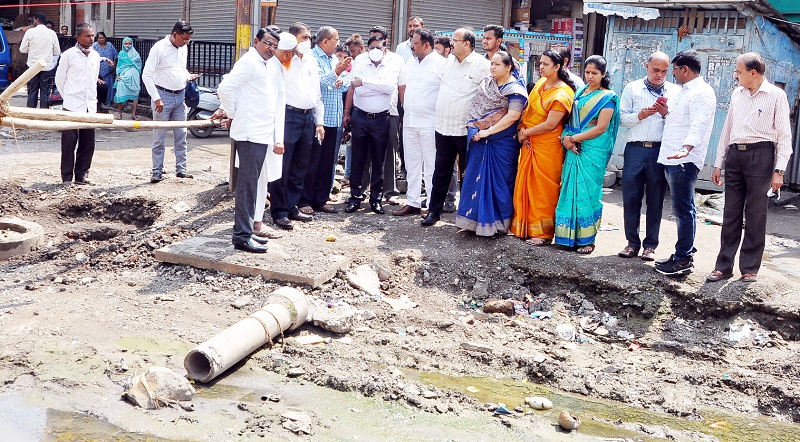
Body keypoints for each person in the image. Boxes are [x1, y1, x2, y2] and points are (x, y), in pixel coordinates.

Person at [706, 52, 791, 283]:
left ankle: (749, 268)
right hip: (735, 155)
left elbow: (784, 136)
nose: (735, 75)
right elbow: (728, 129)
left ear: (753, 73)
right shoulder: (737, 94)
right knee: (730, 212)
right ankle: (723, 266)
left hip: (760, 155)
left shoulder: (776, 95)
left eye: (739, 71)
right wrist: (718, 162)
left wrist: (779, 171)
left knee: (755, 212)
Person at [215, 28, 287, 253]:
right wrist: (233, 113)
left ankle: (245, 232)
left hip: (261, 133)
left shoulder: (266, 64)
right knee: (247, 186)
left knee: (253, 185)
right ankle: (242, 236)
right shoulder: (249, 61)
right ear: (256, 41)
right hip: (249, 133)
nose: (271, 49)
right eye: (267, 43)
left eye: (275, 45)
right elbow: (225, 88)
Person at [654, 50, 716, 276]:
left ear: (685, 70)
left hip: (684, 159)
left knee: (683, 210)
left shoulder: (701, 92)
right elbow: (680, 121)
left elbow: (699, 124)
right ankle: (683, 252)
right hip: (674, 156)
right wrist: (665, 114)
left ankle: (683, 260)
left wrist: (686, 149)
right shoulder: (685, 91)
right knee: (682, 208)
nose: (673, 75)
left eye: (675, 70)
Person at [421, 28, 490, 226]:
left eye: (455, 40)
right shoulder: (448, 62)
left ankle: (467, 215)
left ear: (467, 43)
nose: (452, 43)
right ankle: (434, 212)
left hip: (465, 130)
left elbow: (487, 97)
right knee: (441, 171)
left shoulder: (482, 66)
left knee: (468, 173)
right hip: (443, 126)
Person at [455, 51, 527, 235]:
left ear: (508, 66)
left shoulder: (515, 89)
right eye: (491, 64)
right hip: (480, 139)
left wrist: (488, 131)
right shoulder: (487, 84)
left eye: (497, 64)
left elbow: (513, 116)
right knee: (474, 178)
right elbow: (476, 108)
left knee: (499, 183)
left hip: (501, 143)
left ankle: (498, 225)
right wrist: (478, 130)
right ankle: (473, 221)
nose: (492, 67)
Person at [617, 52, 680, 261]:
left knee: (656, 198)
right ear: (646, 67)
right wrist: (640, 115)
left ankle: (650, 246)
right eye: (656, 70)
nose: (660, 75)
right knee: (631, 197)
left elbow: (678, 124)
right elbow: (622, 119)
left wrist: (665, 114)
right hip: (635, 149)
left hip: (659, 151)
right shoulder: (632, 88)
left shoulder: (675, 91)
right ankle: (631, 244)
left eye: (664, 71)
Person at [554, 55, 620, 254]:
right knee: (569, 189)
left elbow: (601, 128)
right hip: (573, 147)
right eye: (587, 72)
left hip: (592, 150)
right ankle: (567, 237)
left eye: (595, 73)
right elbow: (571, 120)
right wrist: (567, 137)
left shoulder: (608, 97)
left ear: (604, 74)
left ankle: (587, 240)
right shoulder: (581, 91)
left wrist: (574, 139)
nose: (590, 76)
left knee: (588, 194)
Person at [511, 49, 575, 244]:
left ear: (557, 67)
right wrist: (523, 131)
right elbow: (528, 111)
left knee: (544, 189)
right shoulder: (540, 84)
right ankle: (524, 227)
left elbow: (550, 124)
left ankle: (544, 234)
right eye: (540, 63)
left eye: (546, 64)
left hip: (547, 146)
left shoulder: (563, 92)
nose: (541, 67)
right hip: (529, 143)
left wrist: (525, 133)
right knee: (525, 185)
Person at [268, 22, 324, 230]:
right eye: (304, 38)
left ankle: (292, 205)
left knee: (300, 165)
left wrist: (319, 121)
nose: (308, 42)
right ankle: (279, 211)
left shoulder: (311, 61)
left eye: (310, 37)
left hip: (308, 116)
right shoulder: (284, 61)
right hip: (288, 115)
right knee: (283, 164)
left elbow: (316, 93)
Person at [343, 36, 402, 214]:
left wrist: (366, 83)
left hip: (381, 118)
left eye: (379, 47)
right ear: (367, 49)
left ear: (385, 49)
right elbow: (356, 88)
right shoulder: (360, 62)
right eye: (372, 47)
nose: (375, 49)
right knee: (358, 159)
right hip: (360, 116)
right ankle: (355, 197)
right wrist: (372, 87)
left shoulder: (391, 65)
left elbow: (389, 88)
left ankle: (375, 199)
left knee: (379, 160)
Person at [299, 26, 351, 215]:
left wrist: (340, 78)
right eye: (336, 39)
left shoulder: (333, 59)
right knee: (312, 162)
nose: (339, 43)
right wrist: (334, 74)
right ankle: (305, 200)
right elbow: (315, 84)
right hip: (318, 120)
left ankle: (321, 199)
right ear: (325, 41)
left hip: (334, 119)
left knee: (328, 163)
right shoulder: (311, 58)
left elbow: (346, 78)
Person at [394, 27, 445, 216]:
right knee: (412, 163)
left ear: (427, 45)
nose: (412, 47)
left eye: (415, 43)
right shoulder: (411, 62)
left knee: (431, 165)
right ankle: (413, 202)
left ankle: (432, 205)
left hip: (431, 122)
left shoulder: (441, 64)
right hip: (410, 121)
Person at [142, 20, 200, 183]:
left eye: (189, 40)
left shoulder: (183, 48)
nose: (186, 42)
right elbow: (146, 75)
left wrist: (187, 76)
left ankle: (181, 169)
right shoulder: (159, 48)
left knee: (181, 134)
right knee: (159, 136)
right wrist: (157, 98)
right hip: (163, 96)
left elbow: (180, 68)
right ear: (175, 34)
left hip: (180, 95)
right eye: (185, 39)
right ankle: (157, 171)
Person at [55, 23, 100, 186]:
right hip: (72, 105)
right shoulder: (69, 55)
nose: (91, 38)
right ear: (78, 38)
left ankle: (81, 175)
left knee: (88, 143)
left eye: (92, 35)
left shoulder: (95, 56)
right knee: (69, 143)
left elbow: (94, 79)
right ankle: (67, 177)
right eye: (87, 36)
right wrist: (68, 97)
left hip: (90, 106)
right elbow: (59, 79)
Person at [19, 12, 61, 108]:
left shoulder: (30, 32)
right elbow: (57, 52)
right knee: (45, 90)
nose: (33, 22)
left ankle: (31, 112)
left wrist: (31, 50)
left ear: (37, 20)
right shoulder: (52, 33)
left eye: (33, 20)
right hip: (46, 66)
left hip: (32, 66)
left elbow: (22, 49)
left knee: (32, 90)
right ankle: (44, 113)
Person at [114, 37, 142, 120]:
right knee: (120, 92)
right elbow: (119, 66)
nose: (128, 45)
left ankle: (133, 114)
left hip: (134, 77)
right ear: (123, 44)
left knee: (135, 93)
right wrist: (118, 75)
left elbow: (138, 64)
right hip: (122, 77)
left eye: (129, 43)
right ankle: (119, 114)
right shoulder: (121, 54)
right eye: (126, 43)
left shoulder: (135, 54)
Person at [92, 32, 118, 108]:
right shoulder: (94, 46)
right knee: (100, 87)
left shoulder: (109, 45)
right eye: (100, 38)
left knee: (109, 87)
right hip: (98, 72)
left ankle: (108, 103)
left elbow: (115, 56)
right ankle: (99, 103)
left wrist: (114, 66)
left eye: (103, 38)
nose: (102, 39)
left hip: (109, 71)